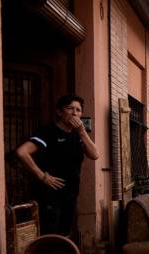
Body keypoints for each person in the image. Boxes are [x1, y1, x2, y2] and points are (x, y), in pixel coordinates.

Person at [16, 94, 99, 236]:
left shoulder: (78, 134)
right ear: (59, 112)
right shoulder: (48, 132)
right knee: (50, 235)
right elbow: (22, 152)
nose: (74, 113)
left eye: (78, 110)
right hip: (49, 195)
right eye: (70, 108)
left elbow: (95, 155)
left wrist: (82, 131)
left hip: (71, 193)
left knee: (65, 234)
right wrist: (42, 176)